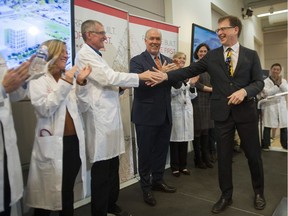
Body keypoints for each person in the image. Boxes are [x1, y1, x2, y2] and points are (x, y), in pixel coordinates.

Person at [151, 15, 266, 213]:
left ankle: (259, 193)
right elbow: (188, 70)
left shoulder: (251, 55)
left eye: (223, 29)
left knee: (253, 156)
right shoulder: (211, 57)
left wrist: (245, 91)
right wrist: (165, 76)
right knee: (223, 157)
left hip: (246, 114)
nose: (219, 32)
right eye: (217, 30)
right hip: (222, 115)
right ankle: (226, 196)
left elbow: (259, 82)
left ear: (235, 30)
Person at [75, 20, 162, 216]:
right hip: (99, 121)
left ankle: (111, 205)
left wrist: (121, 87)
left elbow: (108, 84)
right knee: (102, 171)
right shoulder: (85, 55)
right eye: (101, 33)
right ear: (89, 35)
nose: (105, 36)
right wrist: (140, 77)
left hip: (109, 118)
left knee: (112, 166)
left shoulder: (97, 56)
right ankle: (100, 210)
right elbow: (109, 78)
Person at [25, 39, 91, 216]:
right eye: (62, 51)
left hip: (73, 143)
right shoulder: (38, 78)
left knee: (67, 192)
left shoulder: (67, 78)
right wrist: (67, 82)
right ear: (51, 53)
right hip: (53, 144)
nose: (67, 54)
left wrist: (82, 84)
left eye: (67, 51)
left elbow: (83, 107)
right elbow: (45, 108)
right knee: (45, 197)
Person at [129, 28, 180, 207]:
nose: (155, 41)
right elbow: (140, 84)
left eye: (158, 39)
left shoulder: (167, 60)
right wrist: (162, 74)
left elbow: (178, 83)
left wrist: (174, 72)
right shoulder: (136, 61)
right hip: (145, 116)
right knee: (145, 153)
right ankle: (145, 187)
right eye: (152, 38)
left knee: (161, 151)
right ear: (145, 40)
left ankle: (158, 180)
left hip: (165, 114)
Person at [0, 56, 30, 216]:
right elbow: (4, 89)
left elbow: (14, 95)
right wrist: (3, 88)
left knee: (6, 201)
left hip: (6, 144)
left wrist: (24, 78)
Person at [169, 52, 197, 177]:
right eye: (180, 58)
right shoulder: (171, 74)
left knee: (185, 140)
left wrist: (193, 86)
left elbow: (192, 95)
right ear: (174, 60)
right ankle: (175, 167)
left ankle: (183, 166)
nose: (182, 60)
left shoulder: (186, 75)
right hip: (176, 109)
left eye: (184, 58)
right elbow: (173, 92)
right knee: (175, 140)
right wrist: (187, 84)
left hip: (186, 109)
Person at [189, 43, 214, 169]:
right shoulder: (194, 66)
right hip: (197, 101)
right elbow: (195, 84)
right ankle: (197, 159)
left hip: (209, 102)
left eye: (205, 51)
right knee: (197, 131)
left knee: (206, 131)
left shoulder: (211, 67)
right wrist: (211, 90)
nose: (203, 53)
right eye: (200, 51)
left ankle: (206, 157)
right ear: (197, 53)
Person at [260, 63, 287, 150]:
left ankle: (285, 144)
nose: (276, 71)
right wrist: (277, 85)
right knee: (268, 126)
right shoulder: (265, 81)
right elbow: (266, 93)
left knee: (284, 126)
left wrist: (280, 84)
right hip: (270, 106)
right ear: (271, 70)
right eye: (274, 69)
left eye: (278, 69)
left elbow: (286, 90)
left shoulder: (283, 80)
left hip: (281, 106)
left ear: (280, 71)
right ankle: (266, 145)